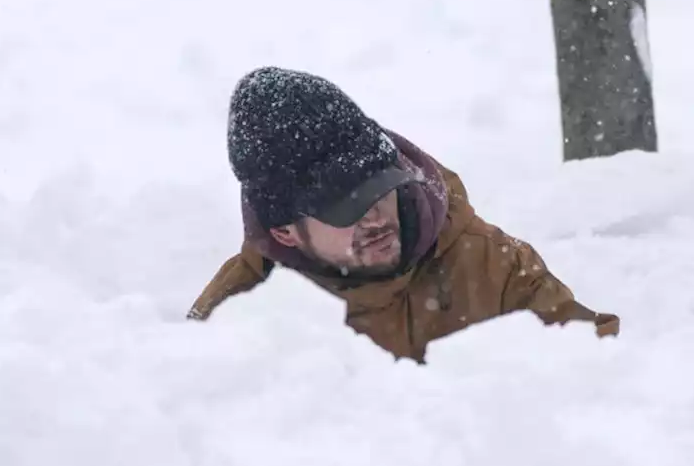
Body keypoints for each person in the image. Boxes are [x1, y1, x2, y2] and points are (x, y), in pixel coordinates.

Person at [188, 67, 619, 363]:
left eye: (380, 189)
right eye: (346, 209)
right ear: (285, 233)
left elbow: (608, 373)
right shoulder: (236, 319)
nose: (375, 217)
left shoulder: (491, 267)